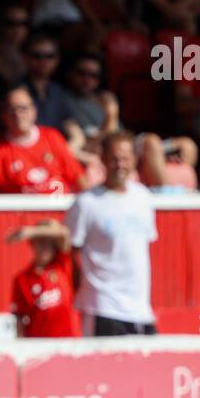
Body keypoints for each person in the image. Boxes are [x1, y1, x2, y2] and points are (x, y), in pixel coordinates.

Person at [64, 130, 159, 336]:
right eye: (114, 158)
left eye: (125, 158)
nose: (120, 164)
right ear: (103, 160)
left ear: (134, 160)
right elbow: (70, 253)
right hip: (102, 307)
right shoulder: (86, 203)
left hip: (140, 309)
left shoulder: (143, 198)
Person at [0, 85, 86, 194]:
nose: (18, 114)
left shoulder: (52, 137)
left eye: (23, 108)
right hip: (22, 210)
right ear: (3, 116)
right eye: (12, 110)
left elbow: (78, 178)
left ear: (34, 111)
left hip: (60, 208)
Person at [5, 219, 79, 338]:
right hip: (39, 345)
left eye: (49, 243)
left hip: (68, 342)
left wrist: (29, 231)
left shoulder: (62, 265)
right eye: (41, 242)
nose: (45, 247)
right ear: (32, 244)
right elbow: (19, 317)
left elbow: (64, 233)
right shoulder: (22, 279)